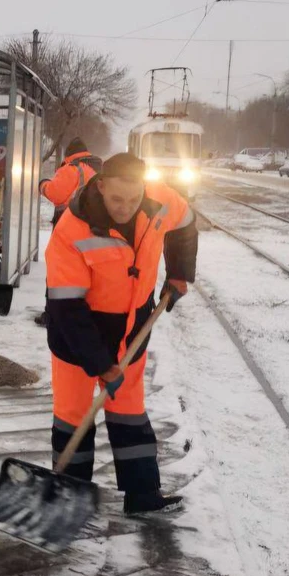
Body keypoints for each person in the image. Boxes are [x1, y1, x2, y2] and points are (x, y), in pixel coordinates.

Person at [44, 152, 197, 516]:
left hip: (131, 330)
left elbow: (187, 223)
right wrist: (101, 364)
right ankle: (71, 496)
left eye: (133, 199)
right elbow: (68, 309)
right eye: (116, 199)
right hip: (76, 338)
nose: (125, 208)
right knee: (74, 416)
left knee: (129, 413)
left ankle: (143, 496)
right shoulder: (71, 230)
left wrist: (178, 272)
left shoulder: (159, 201)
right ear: (100, 186)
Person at [35, 137, 102, 327]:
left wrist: (43, 185)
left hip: (69, 225)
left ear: (69, 154)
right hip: (95, 229)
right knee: (86, 272)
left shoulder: (72, 169)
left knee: (60, 270)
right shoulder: (98, 169)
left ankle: (53, 315)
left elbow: (56, 194)